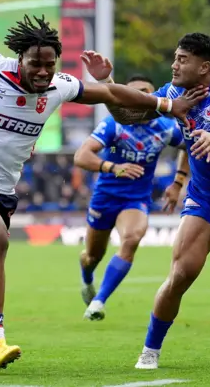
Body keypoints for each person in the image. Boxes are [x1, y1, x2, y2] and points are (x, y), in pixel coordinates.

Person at [0, 14, 206, 372]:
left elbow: (112, 95)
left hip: (1, 192)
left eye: (50, 65)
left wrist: (167, 105)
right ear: (20, 58)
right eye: (35, 63)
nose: (42, 72)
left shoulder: (59, 86)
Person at [82, 32, 210, 369]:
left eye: (183, 59)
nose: (174, 64)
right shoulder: (173, 92)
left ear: (204, 66)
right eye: (176, 57)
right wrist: (106, 82)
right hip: (204, 200)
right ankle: (150, 351)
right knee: (181, 273)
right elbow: (127, 115)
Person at [74, 74, 185, 321]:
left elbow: (187, 146)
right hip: (105, 197)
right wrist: (113, 167)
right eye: (135, 92)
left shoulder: (166, 128)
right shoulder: (114, 125)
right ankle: (87, 278)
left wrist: (178, 182)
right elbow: (82, 156)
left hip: (136, 199)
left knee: (132, 239)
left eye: (146, 91)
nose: (141, 97)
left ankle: (98, 301)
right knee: (92, 256)